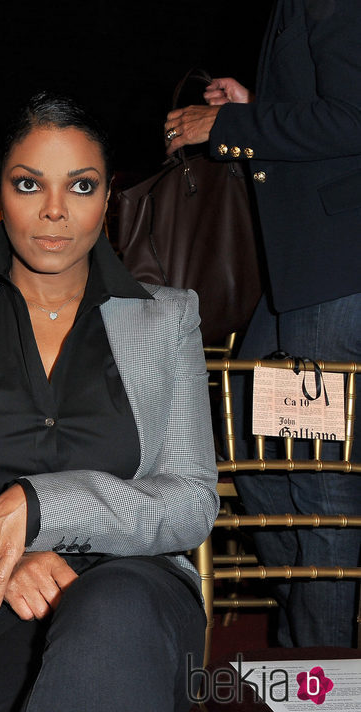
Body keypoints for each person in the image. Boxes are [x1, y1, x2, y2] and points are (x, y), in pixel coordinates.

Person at [0, 91, 218, 712]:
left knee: (113, 619)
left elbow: (192, 501)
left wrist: (40, 507)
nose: (55, 212)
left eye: (81, 187)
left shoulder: (168, 320)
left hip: (134, 585)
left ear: (110, 193)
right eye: (30, 185)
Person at [165, 0, 361, 648]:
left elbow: (352, 116)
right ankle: (313, 627)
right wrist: (251, 106)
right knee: (258, 459)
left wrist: (228, 122)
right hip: (303, 287)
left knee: (317, 487)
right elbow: (328, 104)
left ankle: (320, 675)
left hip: (331, 282)